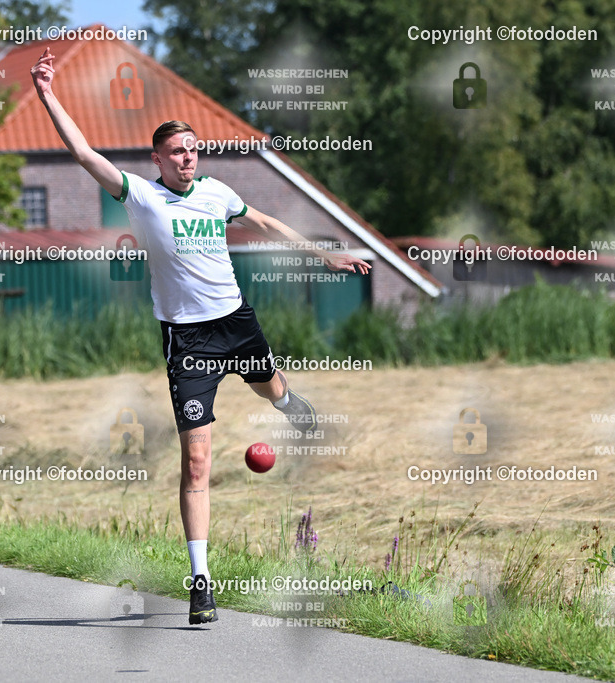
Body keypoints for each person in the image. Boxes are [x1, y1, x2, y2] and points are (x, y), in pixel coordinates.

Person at [30, 48, 370, 624]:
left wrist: (324, 256)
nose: (188, 159)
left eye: (193, 150)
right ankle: (201, 582)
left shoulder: (216, 193)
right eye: (177, 152)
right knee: (196, 461)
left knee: (270, 387)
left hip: (236, 323)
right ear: (157, 158)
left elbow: (263, 222)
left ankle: (289, 403)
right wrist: (46, 94)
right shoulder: (139, 195)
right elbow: (83, 152)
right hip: (186, 342)